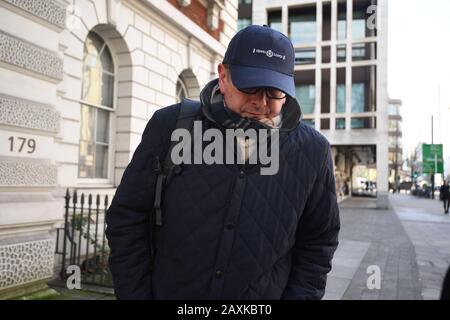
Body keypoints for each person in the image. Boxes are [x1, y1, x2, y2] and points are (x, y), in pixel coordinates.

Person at [105, 25, 340, 300]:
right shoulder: (170, 126)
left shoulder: (314, 151)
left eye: (274, 92)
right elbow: (127, 218)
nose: (260, 103)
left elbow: (318, 243)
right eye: (250, 87)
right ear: (223, 76)